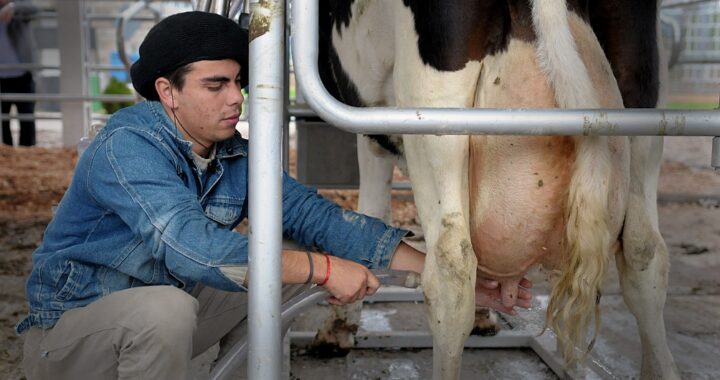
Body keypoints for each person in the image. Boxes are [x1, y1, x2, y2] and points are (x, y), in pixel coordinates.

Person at [16, 11, 532, 379]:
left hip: (157, 322)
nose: (237, 98)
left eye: (239, 82)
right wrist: (325, 271)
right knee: (174, 307)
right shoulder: (126, 144)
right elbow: (189, 247)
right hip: (71, 342)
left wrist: (453, 276)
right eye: (216, 85)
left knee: (284, 273)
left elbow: (315, 217)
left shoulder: (230, 153)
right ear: (167, 92)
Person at [0, 0, 38, 146]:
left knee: (27, 119)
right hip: (1, 78)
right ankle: (7, 156)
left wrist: (13, 7)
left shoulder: (18, 8)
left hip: (23, 75)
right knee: (3, 123)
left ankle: (27, 154)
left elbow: (34, 10)